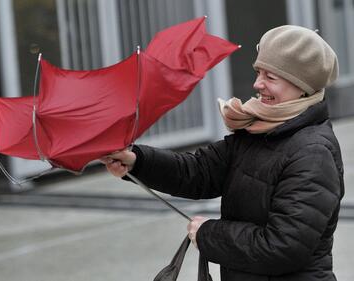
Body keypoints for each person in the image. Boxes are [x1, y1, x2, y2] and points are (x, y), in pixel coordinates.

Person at [101, 25, 344, 281]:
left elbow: (282, 247)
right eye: (258, 72)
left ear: (301, 85)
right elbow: (197, 172)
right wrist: (137, 161)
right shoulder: (257, 129)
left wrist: (209, 234)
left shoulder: (313, 153)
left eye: (270, 77)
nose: (257, 84)